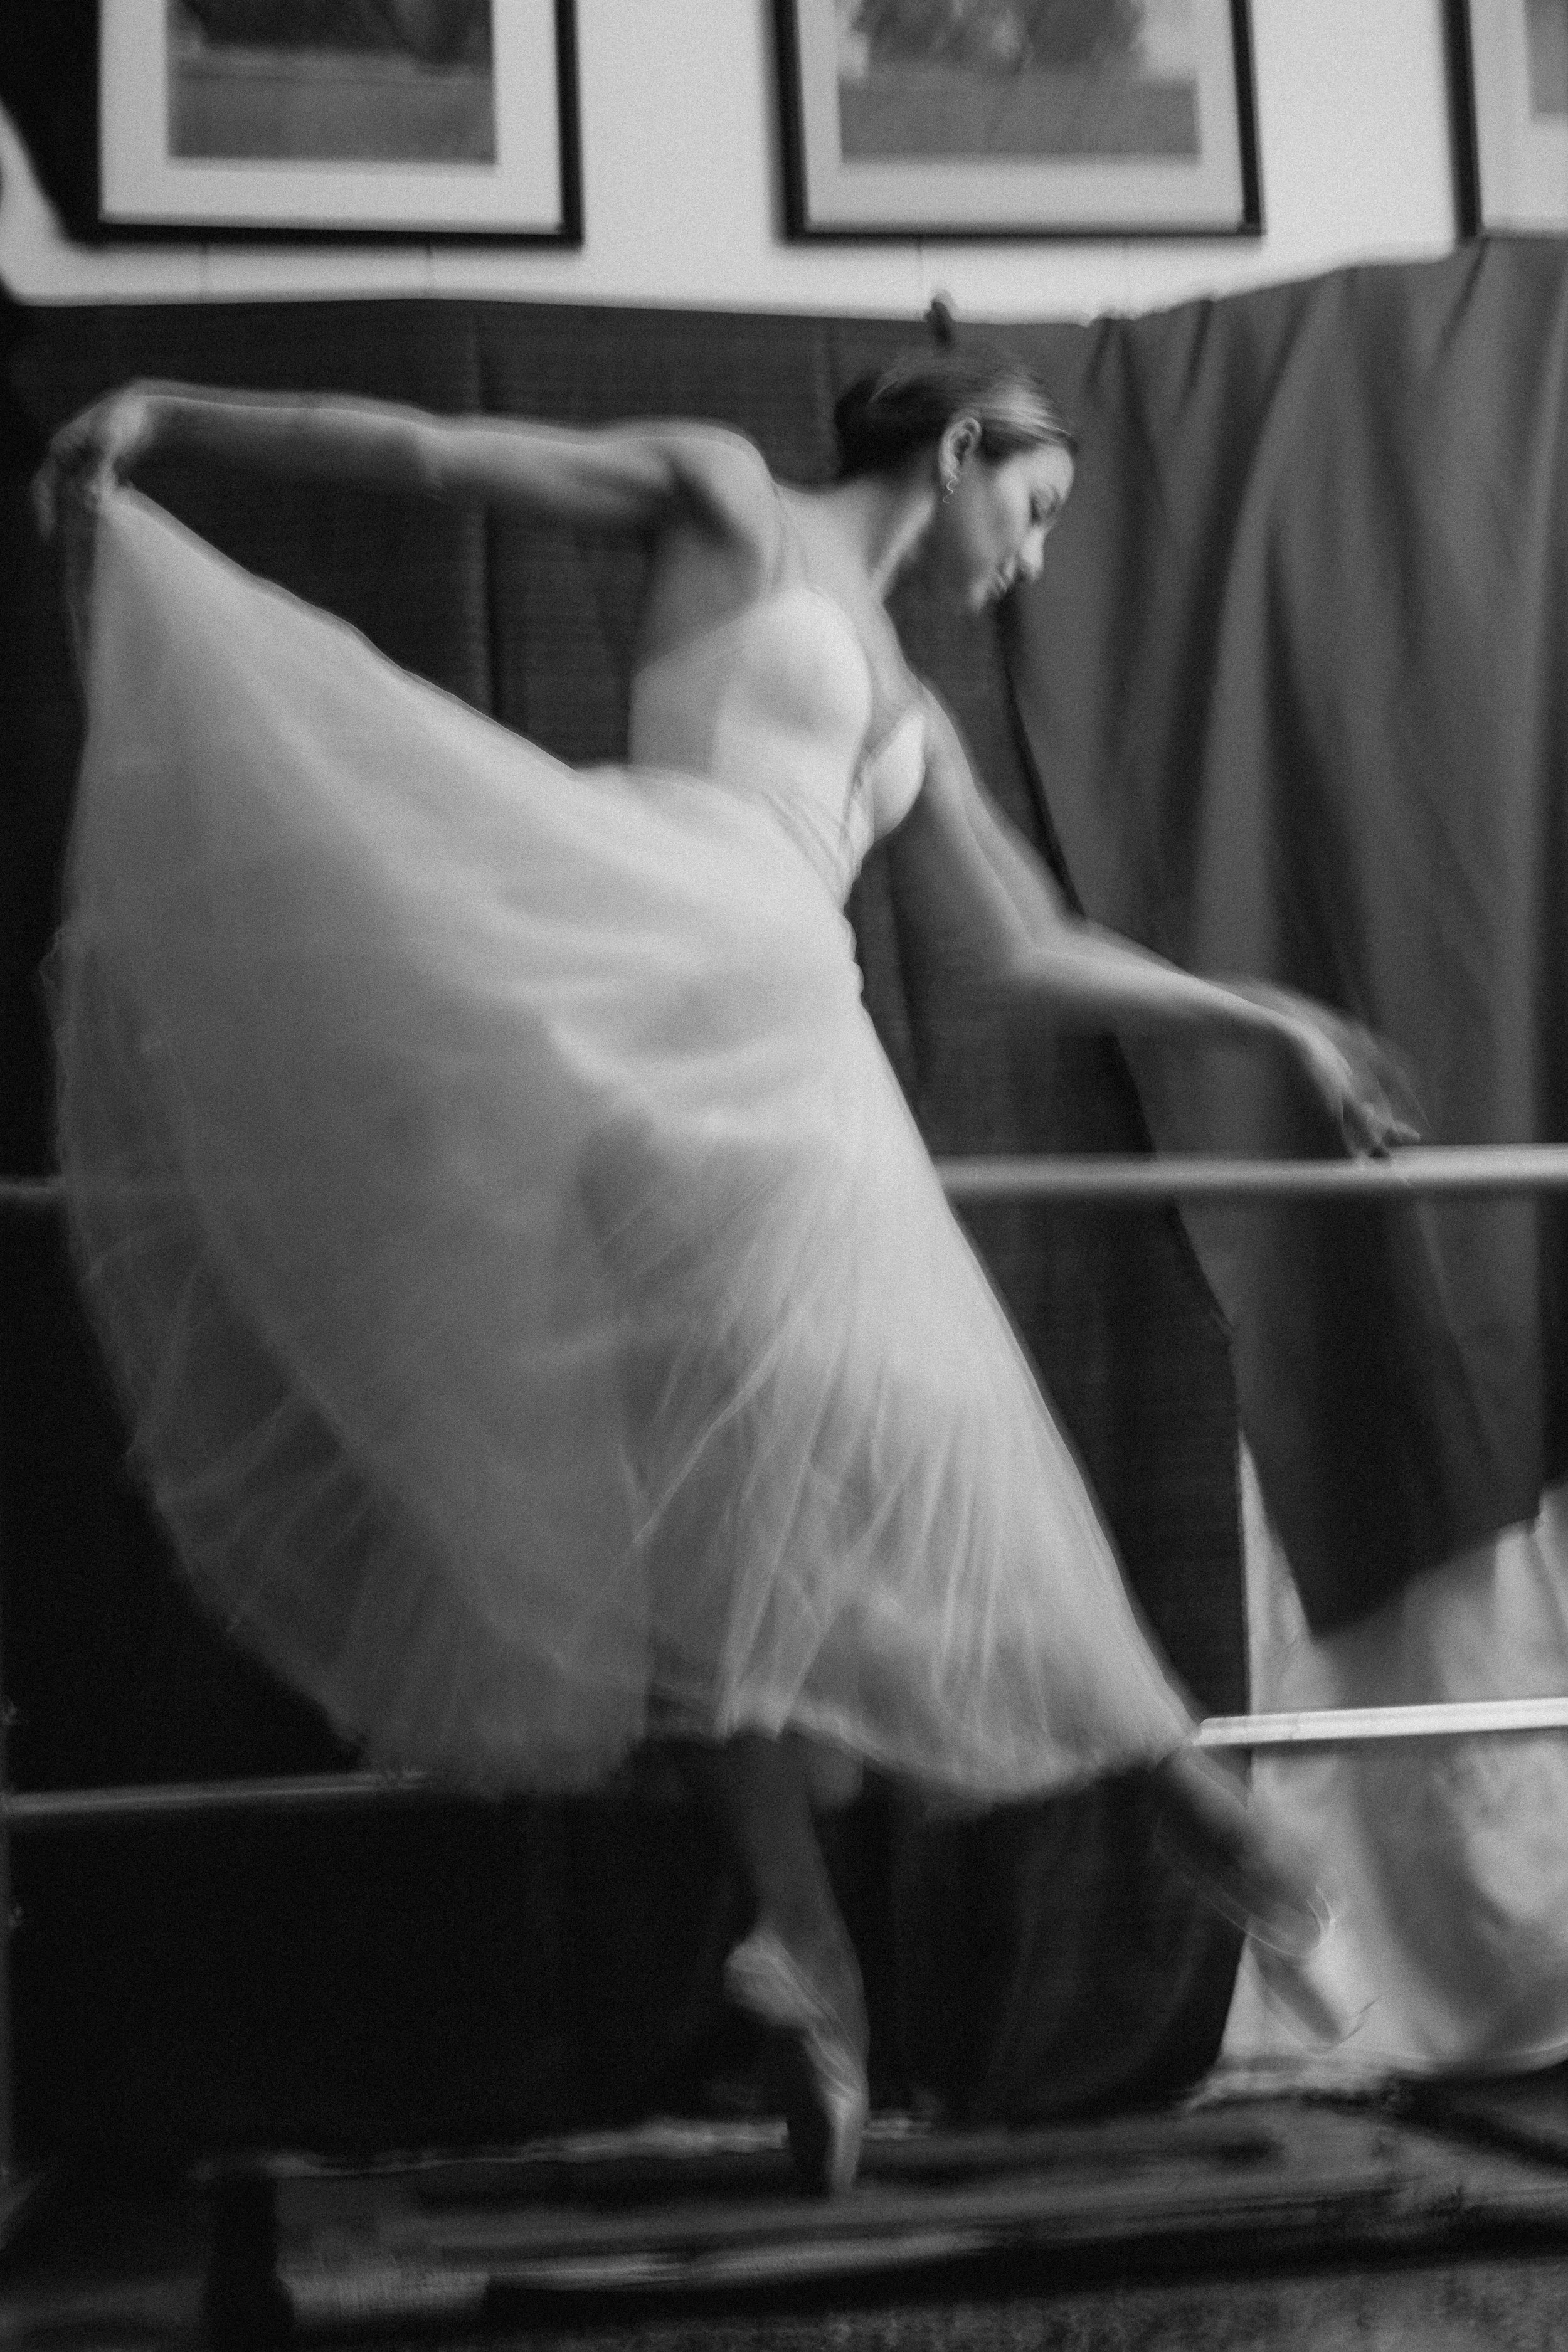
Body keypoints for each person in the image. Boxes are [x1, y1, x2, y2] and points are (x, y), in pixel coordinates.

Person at [34, 318, 1410, 2195]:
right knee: (874, 1425)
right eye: (1036, 498)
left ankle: (814, 1959)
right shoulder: (726, 494)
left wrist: (1264, 1019)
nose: (1036, 546)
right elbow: (436, 459)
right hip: (657, 1001)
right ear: (960, 450)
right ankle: (1141, 1775)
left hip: (786, 1048)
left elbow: (1020, 948)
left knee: (756, 1484)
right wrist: (178, 412)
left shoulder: (912, 709)